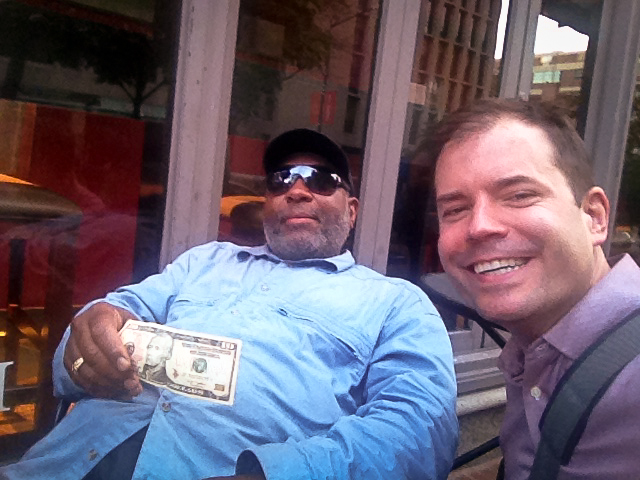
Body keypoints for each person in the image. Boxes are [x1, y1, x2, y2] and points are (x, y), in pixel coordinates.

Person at [1, 128, 458, 480]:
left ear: (352, 210)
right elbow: (112, 319)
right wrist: (93, 330)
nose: (297, 190)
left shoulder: (394, 302)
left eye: (321, 180)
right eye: (281, 180)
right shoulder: (203, 261)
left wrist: (273, 475)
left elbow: (420, 432)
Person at [428, 98, 640, 480]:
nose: (479, 226)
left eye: (519, 195)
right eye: (455, 209)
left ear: (594, 217)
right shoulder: (533, 350)